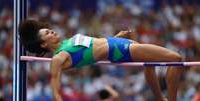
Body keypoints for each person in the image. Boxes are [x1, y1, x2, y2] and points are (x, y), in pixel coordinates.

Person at [19, 20, 185, 101]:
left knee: (151, 64)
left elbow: (95, 47)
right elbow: (56, 91)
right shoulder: (59, 57)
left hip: (118, 44)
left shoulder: (67, 42)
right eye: (48, 33)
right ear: (43, 43)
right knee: (176, 59)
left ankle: (160, 99)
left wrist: (116, 37)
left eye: (50, 30)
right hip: (120, 50)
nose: (52, 31)